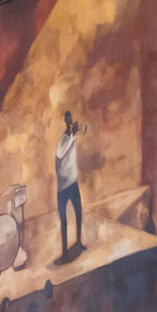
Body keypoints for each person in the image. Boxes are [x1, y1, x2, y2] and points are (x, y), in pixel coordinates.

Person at [53, 111, 86, 261]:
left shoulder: (72, 137)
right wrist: (72, 135)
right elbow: (60, 154)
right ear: (66, 121)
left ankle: (79, 242)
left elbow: (83, 131)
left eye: (71, 119)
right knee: (64, 220)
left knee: (79, 213)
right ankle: (65, 253)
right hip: (63, 188)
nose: (71, 122)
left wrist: (77, 133)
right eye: (68, 120)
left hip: (73, 183)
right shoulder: (64, 139)